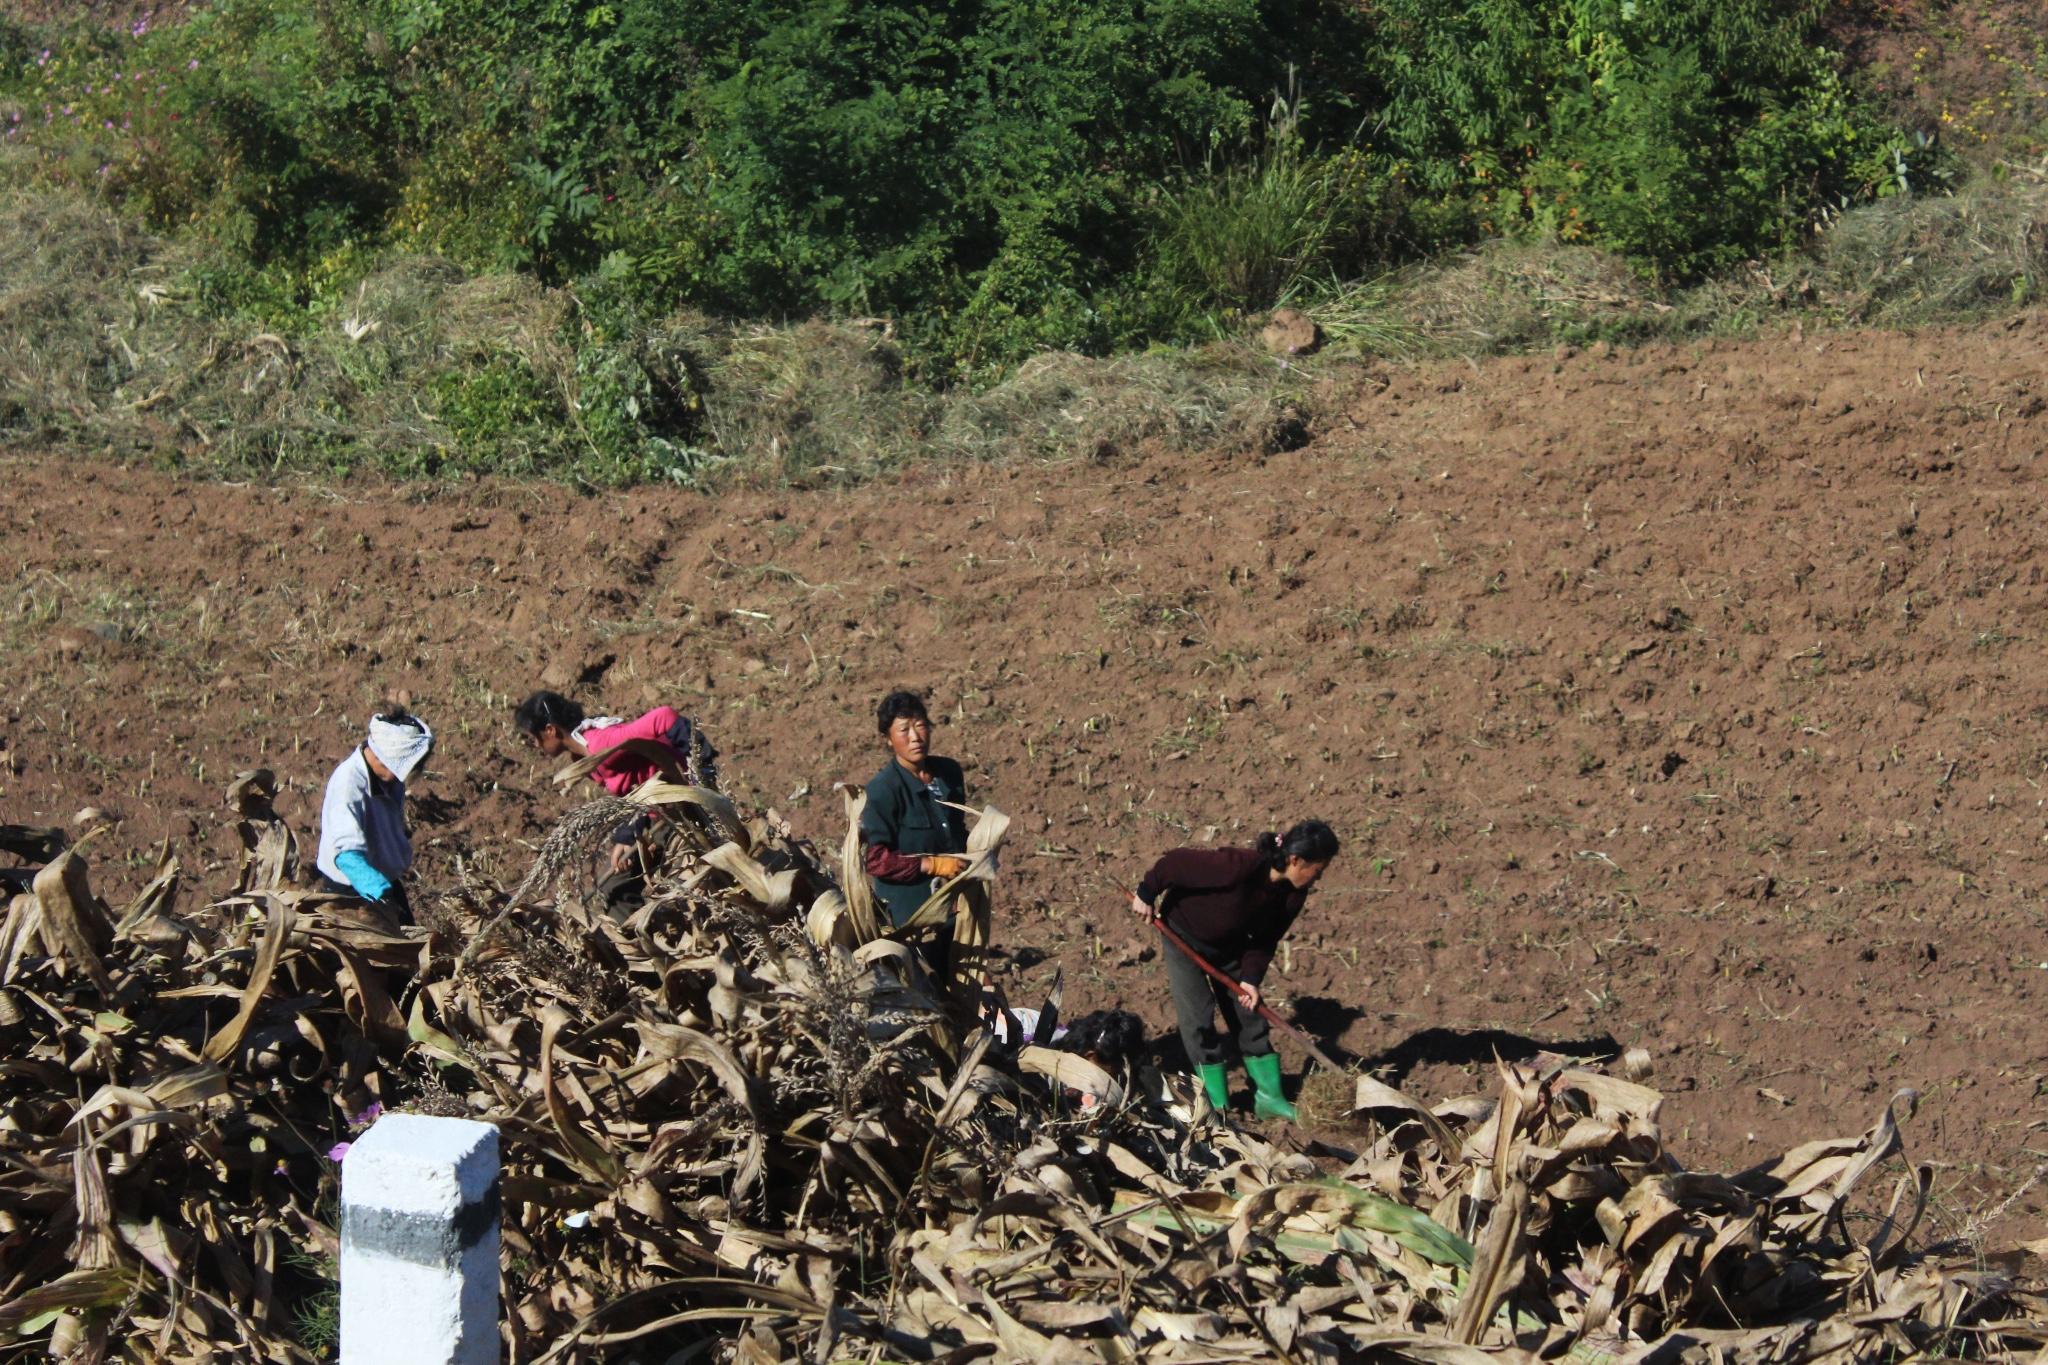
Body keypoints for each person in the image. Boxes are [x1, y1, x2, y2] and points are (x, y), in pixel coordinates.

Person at [1129, 820, 1340, 1121]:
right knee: (1198, 1017)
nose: (1317, 878)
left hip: (1231, 948)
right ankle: (1217, 1104)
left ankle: (1269, 1097)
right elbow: (1175, 863)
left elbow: (1266, 939)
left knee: (1250, 1016)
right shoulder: (1239, 866)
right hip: (1184, 935)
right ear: (1296, 860)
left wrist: (1251, 980)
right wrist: (1147, 892)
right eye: (1317, 871)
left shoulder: (1293, 894)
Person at [512, 690, 718, 883]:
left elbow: (664, 717)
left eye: (535, 738)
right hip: (657, 818)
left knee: (680, 883)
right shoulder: (582, 757)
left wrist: (701, 772)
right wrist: (626, 838)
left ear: (550, 730)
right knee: (612, 888)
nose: (537, 745)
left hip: (681, 815)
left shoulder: (600, 744)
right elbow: (633, 790)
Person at [860, 691, 970, 983]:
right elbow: (875, 860)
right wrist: (930, 865)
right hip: (915, 921)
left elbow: (958, 831)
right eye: (903, 730)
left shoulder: (948, 773)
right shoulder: (882, 790)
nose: (915, 737)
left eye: (920, 725)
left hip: (957, 910)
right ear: (887, 738)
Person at [315, 709, 433, 925]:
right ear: (384, 759)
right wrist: (379, 893)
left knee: (410, 947)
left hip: (383, 880)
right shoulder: (349, 786)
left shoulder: (388, 781)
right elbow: (347, 856)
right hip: (354, 891)